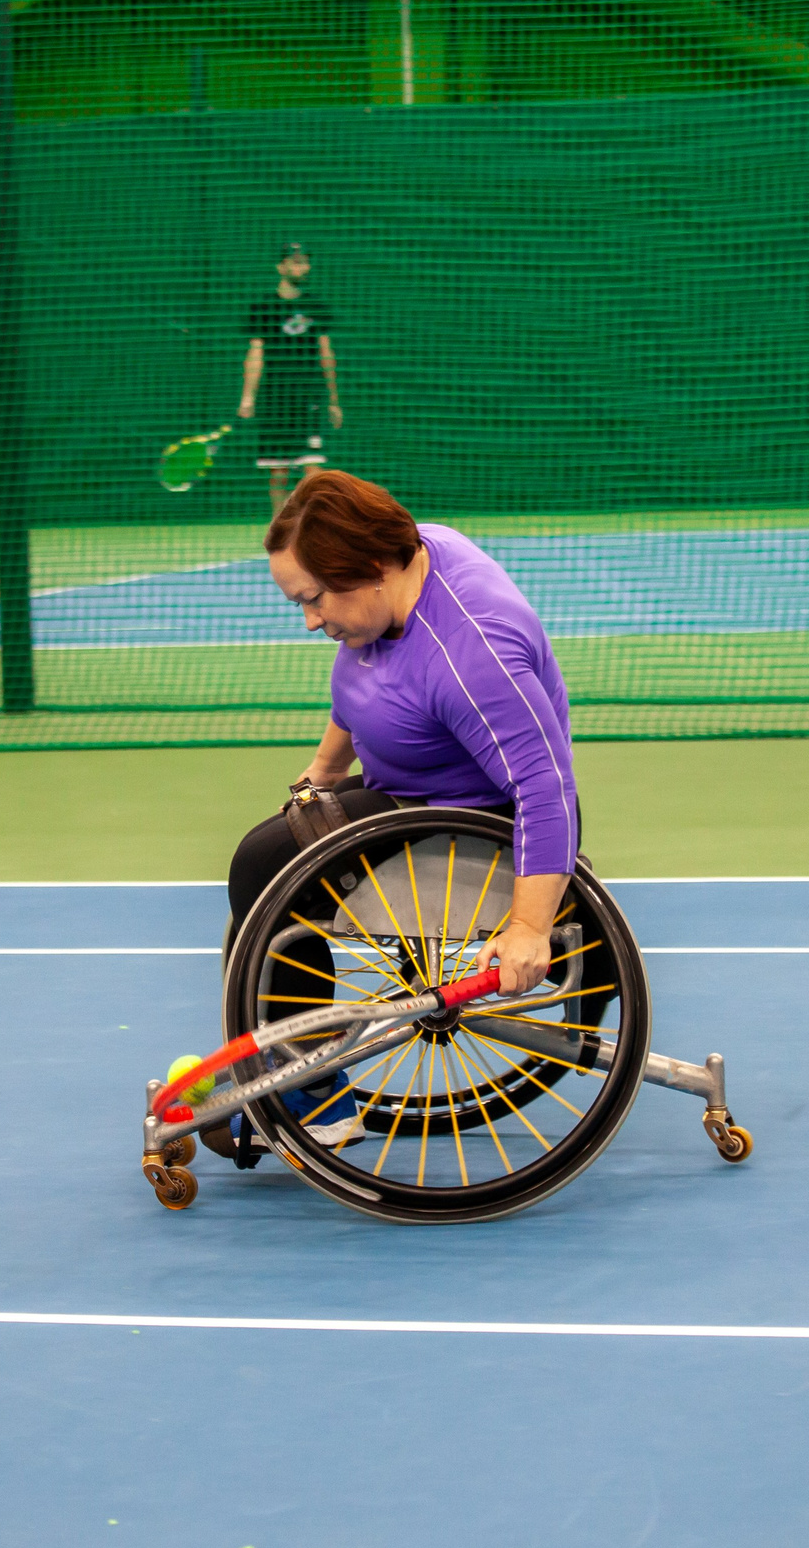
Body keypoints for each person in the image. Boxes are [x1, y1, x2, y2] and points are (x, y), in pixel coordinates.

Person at [208, 468, 582, 1160]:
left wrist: (531, 924)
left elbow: (545, 787)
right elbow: (367, 682)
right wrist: (324, 769)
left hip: (469, 829)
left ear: (372, 566)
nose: (311, 620)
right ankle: (279, 1058)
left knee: (264, 865)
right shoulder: (410, 568)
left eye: (314, 598)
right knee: (269, 857)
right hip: (412, 795)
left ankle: (313, 1090)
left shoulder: (474, 654)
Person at [238, 243, 342, 517]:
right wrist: (247, 397)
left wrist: (333, 401)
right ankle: (280, 531)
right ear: (280, 266)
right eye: (295, 262)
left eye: (305, 262)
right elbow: (256, 353)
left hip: (308, 397)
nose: (301, 267)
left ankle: (313, 529)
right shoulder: (264, 307)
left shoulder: (315, 306)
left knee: (313, 473)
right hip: (275, 399)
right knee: (278, 474)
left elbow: (325, 353)